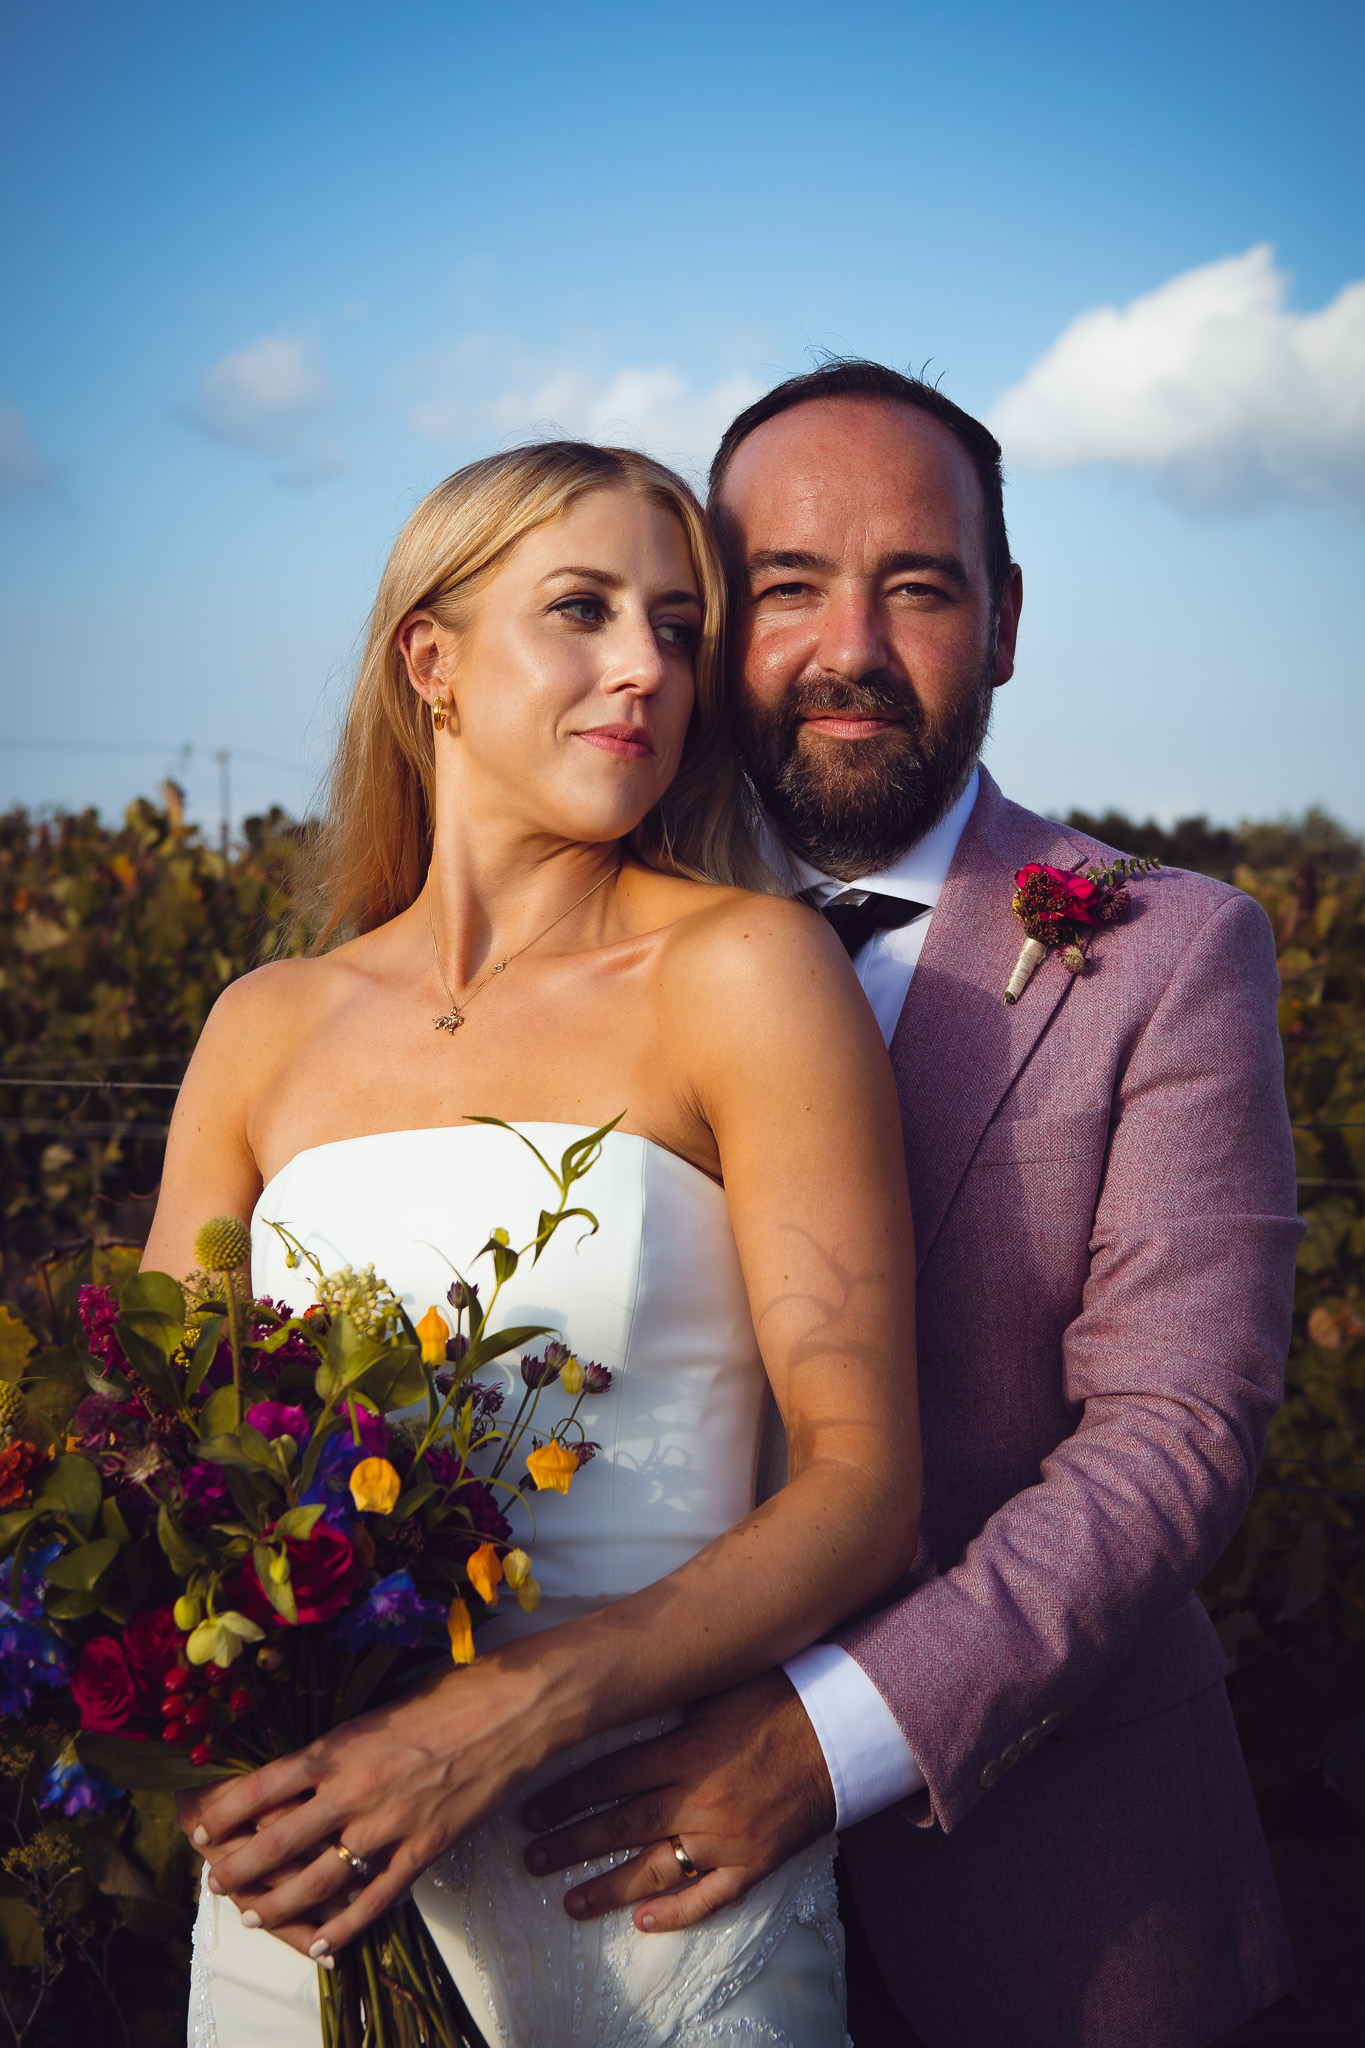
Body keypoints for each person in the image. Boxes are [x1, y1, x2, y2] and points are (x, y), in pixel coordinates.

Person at [518, 365, 1302, 2048]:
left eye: (920, 586)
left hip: (1064, 1910)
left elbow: (1175, 1434)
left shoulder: (1167, 952)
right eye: (786, 588)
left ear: (1004, 621)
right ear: (714, 624)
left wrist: (830, 1738)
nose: (850, 647)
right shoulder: (554, 967)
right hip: (602, 1909)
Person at [149, 440, 922, 2047]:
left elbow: (863, 1488)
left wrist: (516, 1711)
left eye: (681, 627)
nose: (645, 668)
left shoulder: (746, 973)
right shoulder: (263, 1029)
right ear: (427, 659)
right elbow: (162, 1477)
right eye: (581, 609)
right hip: (313, 1882)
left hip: (633, 1872)